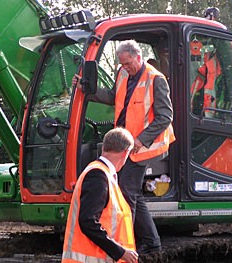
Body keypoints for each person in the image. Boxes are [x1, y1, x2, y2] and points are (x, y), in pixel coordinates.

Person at [74, 40, 175, 254]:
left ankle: (126, 243)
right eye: (122, 64)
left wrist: (141, 139)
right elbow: (113, 97)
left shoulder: (156, 79)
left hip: (144, 146)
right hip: (126, 143)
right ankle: (152, 242)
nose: (125, 67)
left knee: (127, 191)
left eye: (128, 63)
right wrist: (86, 89)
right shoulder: (122, 73)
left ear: (138, 57)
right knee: (132, 192)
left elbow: (165, 117)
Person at [62, 127, 139, 263]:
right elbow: (88, 221)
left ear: (104, 147)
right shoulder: (98, 175)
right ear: (126, 152)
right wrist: (120, 252)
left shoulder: (102, 174)